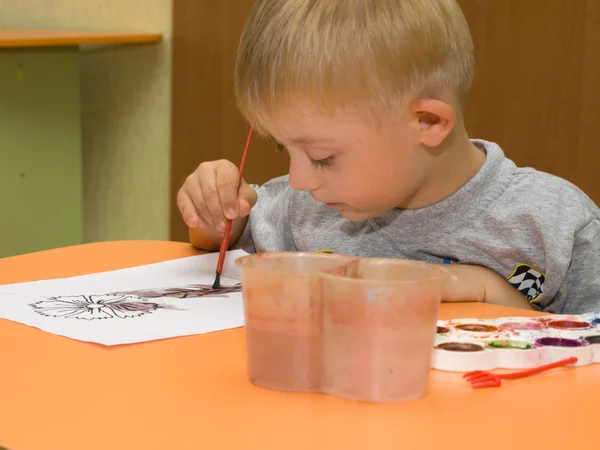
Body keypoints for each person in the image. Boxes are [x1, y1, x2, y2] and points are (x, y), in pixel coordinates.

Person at [177, 0, 600, 314]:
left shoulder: (555, 227)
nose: (299, 179)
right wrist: (218, 213)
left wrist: (492, 295)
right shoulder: (303, 209)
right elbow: (219, 249)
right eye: (282, 148)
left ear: (428, 123)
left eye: (322, 157)